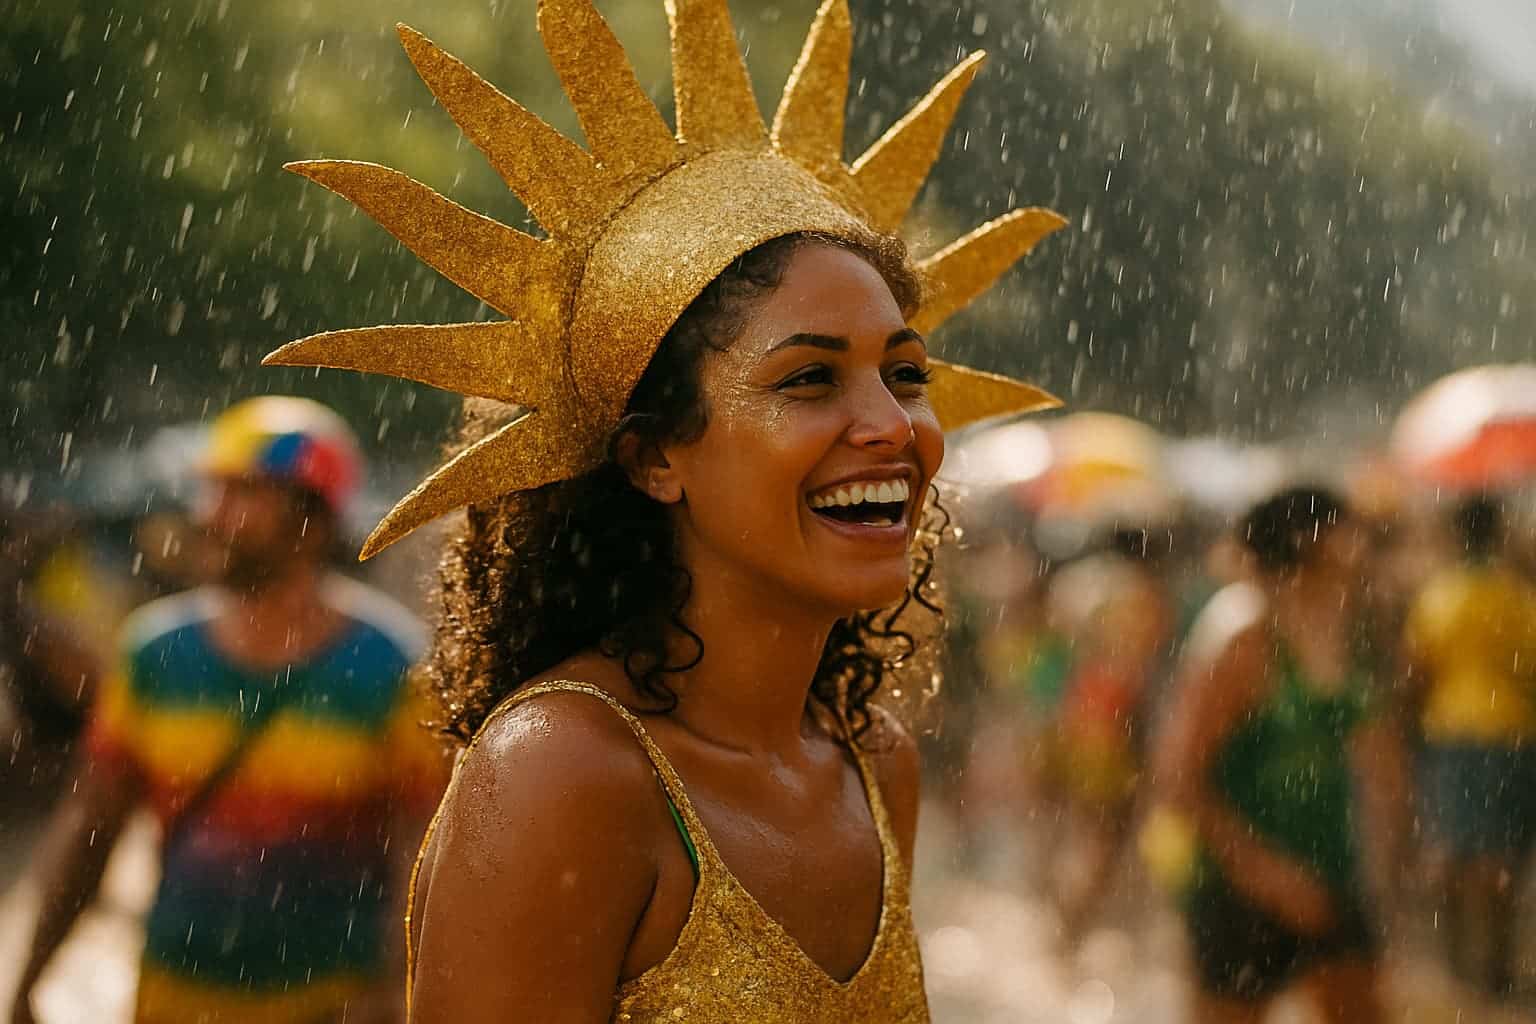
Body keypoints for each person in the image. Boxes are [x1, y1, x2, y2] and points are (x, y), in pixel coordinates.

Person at [260, 1, 1065, 1019]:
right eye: (809, 381)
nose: (892, 426)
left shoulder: (875, 763)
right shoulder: (560, 775)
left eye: (904, 375)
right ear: (652, 457)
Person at [8, 397, 444, 1024]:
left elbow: (420, 859)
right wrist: (26, 984)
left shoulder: (393, 671)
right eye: (214, 492)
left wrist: (401, 997)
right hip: (171, 1005)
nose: (213, 515)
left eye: (244, 496)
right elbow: (87, 832)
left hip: (332, 1010)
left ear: (312, 521)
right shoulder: (154, 656)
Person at [1149, 487, 1386, 1023]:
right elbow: (1179, 779)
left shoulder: (1337, 620)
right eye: (1348, 532)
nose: (1363, 546)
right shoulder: (1243, 633)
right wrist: (1268, 875)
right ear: (1309, 541)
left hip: (1328, 876)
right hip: (1240, 887)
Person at [1403, 495, 1536, 997]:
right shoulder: (1519, 596)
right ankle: (1494, 965)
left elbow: (1416, 670)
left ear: (1457, 534)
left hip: (1451, 734)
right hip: (1514, 734)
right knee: (1502, 855)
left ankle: (1456, 961)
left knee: (1453, 850)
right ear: (1498, 533)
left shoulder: (1441, 595)